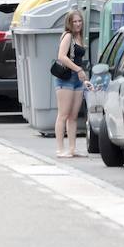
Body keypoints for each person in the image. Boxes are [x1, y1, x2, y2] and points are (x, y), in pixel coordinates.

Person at [53, 9, 90, 158]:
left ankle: (72, 148)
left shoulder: (80, 36)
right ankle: (60, 149)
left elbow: (79, 59)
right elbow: (61, 56)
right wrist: (78, 70)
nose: (77, 24)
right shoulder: (68, 36)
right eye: (74, 21)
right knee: (63, 114)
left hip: (77, 80)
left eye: (79, 21)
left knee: (73, 116)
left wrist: (83, 77)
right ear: (69, 23)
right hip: (65, 78)